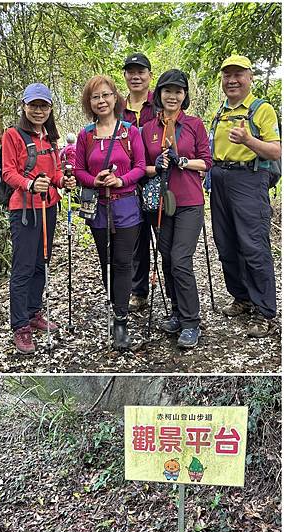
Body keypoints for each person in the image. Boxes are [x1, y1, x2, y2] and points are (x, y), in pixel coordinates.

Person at [2, 83, 76, 354]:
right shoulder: (12, 135)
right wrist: (31, 185)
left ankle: (34, 312)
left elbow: (55, 172)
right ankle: (20, 326)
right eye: (33, 105)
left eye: (43, 106)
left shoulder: (50, 138)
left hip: (49, 206)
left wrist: (63, 181)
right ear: (24, 106)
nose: (38, 110)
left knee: (41, 262)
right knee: (22, 267)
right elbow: (8, 173)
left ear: (50, 109)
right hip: (23, 209)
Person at [209, 55, 281, 337]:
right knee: (225, 243)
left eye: (238, 74)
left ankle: (265, 313)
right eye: (227, 75)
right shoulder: (221, 111)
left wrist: (248, 140)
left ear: (250, 77)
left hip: (250, 179)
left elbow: (276, 151)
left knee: (254, 246)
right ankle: (242, 298)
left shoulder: (261, 109)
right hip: (221, 179)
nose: (232, 80)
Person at [141, 69, 212, 349]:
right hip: (161, 203)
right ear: (158, 94)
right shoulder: (148, 129)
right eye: (167, 91)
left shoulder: (194, 124)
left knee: (181, 259)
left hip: (190, 202)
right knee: (167, 258)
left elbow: (207, 162)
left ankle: (192, 322)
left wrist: (183, 161)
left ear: (185, 96)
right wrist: (154, 165)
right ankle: (177, 312)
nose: (172, 96)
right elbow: (141, 166)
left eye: (178, 91)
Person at [74, 75, 146, 349]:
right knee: (105, 260)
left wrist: (121, 180)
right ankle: (115, 303)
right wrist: (95, 180)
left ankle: (121, 321)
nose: (101, 101)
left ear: (116, 98)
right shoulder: (85, 135)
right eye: (95, 97)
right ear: (89, 102)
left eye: (106, 95)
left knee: (123, 261)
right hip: (98, 208)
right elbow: (80, 170)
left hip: (126, 206)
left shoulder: (130, 131)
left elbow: (140, 166)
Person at [122, 53, 156, 313]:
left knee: (166, 237)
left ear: (149, 75)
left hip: (158, 178)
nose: (136, 76)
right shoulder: (117, 107)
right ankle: (138, 290)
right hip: (129, 183)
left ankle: (176, 293)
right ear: (125, 76)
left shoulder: (160, 102)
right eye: (131, 71)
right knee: (136, 239)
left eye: (141, 71)